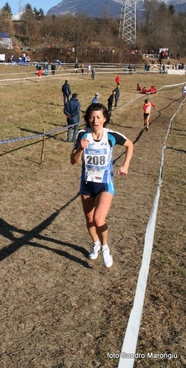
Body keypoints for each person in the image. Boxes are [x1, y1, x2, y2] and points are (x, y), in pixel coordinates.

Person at [70, 103, 133, 268]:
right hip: (87, 184)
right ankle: (96, 243)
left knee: (98, 219)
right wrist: (79, 150)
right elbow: (73, 161)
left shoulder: (110, 135)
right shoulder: (83, 135)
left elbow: (130, 145)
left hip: (105, 184)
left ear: (105, 119)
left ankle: (105, 247)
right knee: (89, 220)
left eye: (98, 117)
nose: (95, 120)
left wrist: (125, 165)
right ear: (88, 118)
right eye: (92, 117)